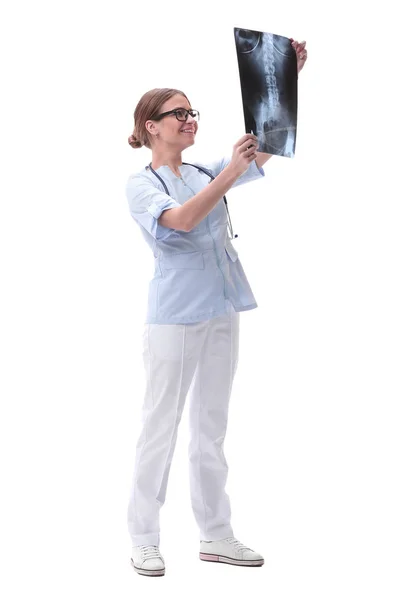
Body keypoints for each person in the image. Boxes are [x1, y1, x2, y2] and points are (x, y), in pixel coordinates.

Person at [125, 40, 308, 577]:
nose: (189, 119)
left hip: (223, 306)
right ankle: (143, 537)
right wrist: (231, 171)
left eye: (192, 112)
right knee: (161, 424)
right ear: (150, 126)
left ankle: (216, 534)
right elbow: (180, 221)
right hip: (175, 317)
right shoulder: (141, 184)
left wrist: (282, 76)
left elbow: (268, 144)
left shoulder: (205, 169)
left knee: (212, 424)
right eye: (177, 113)